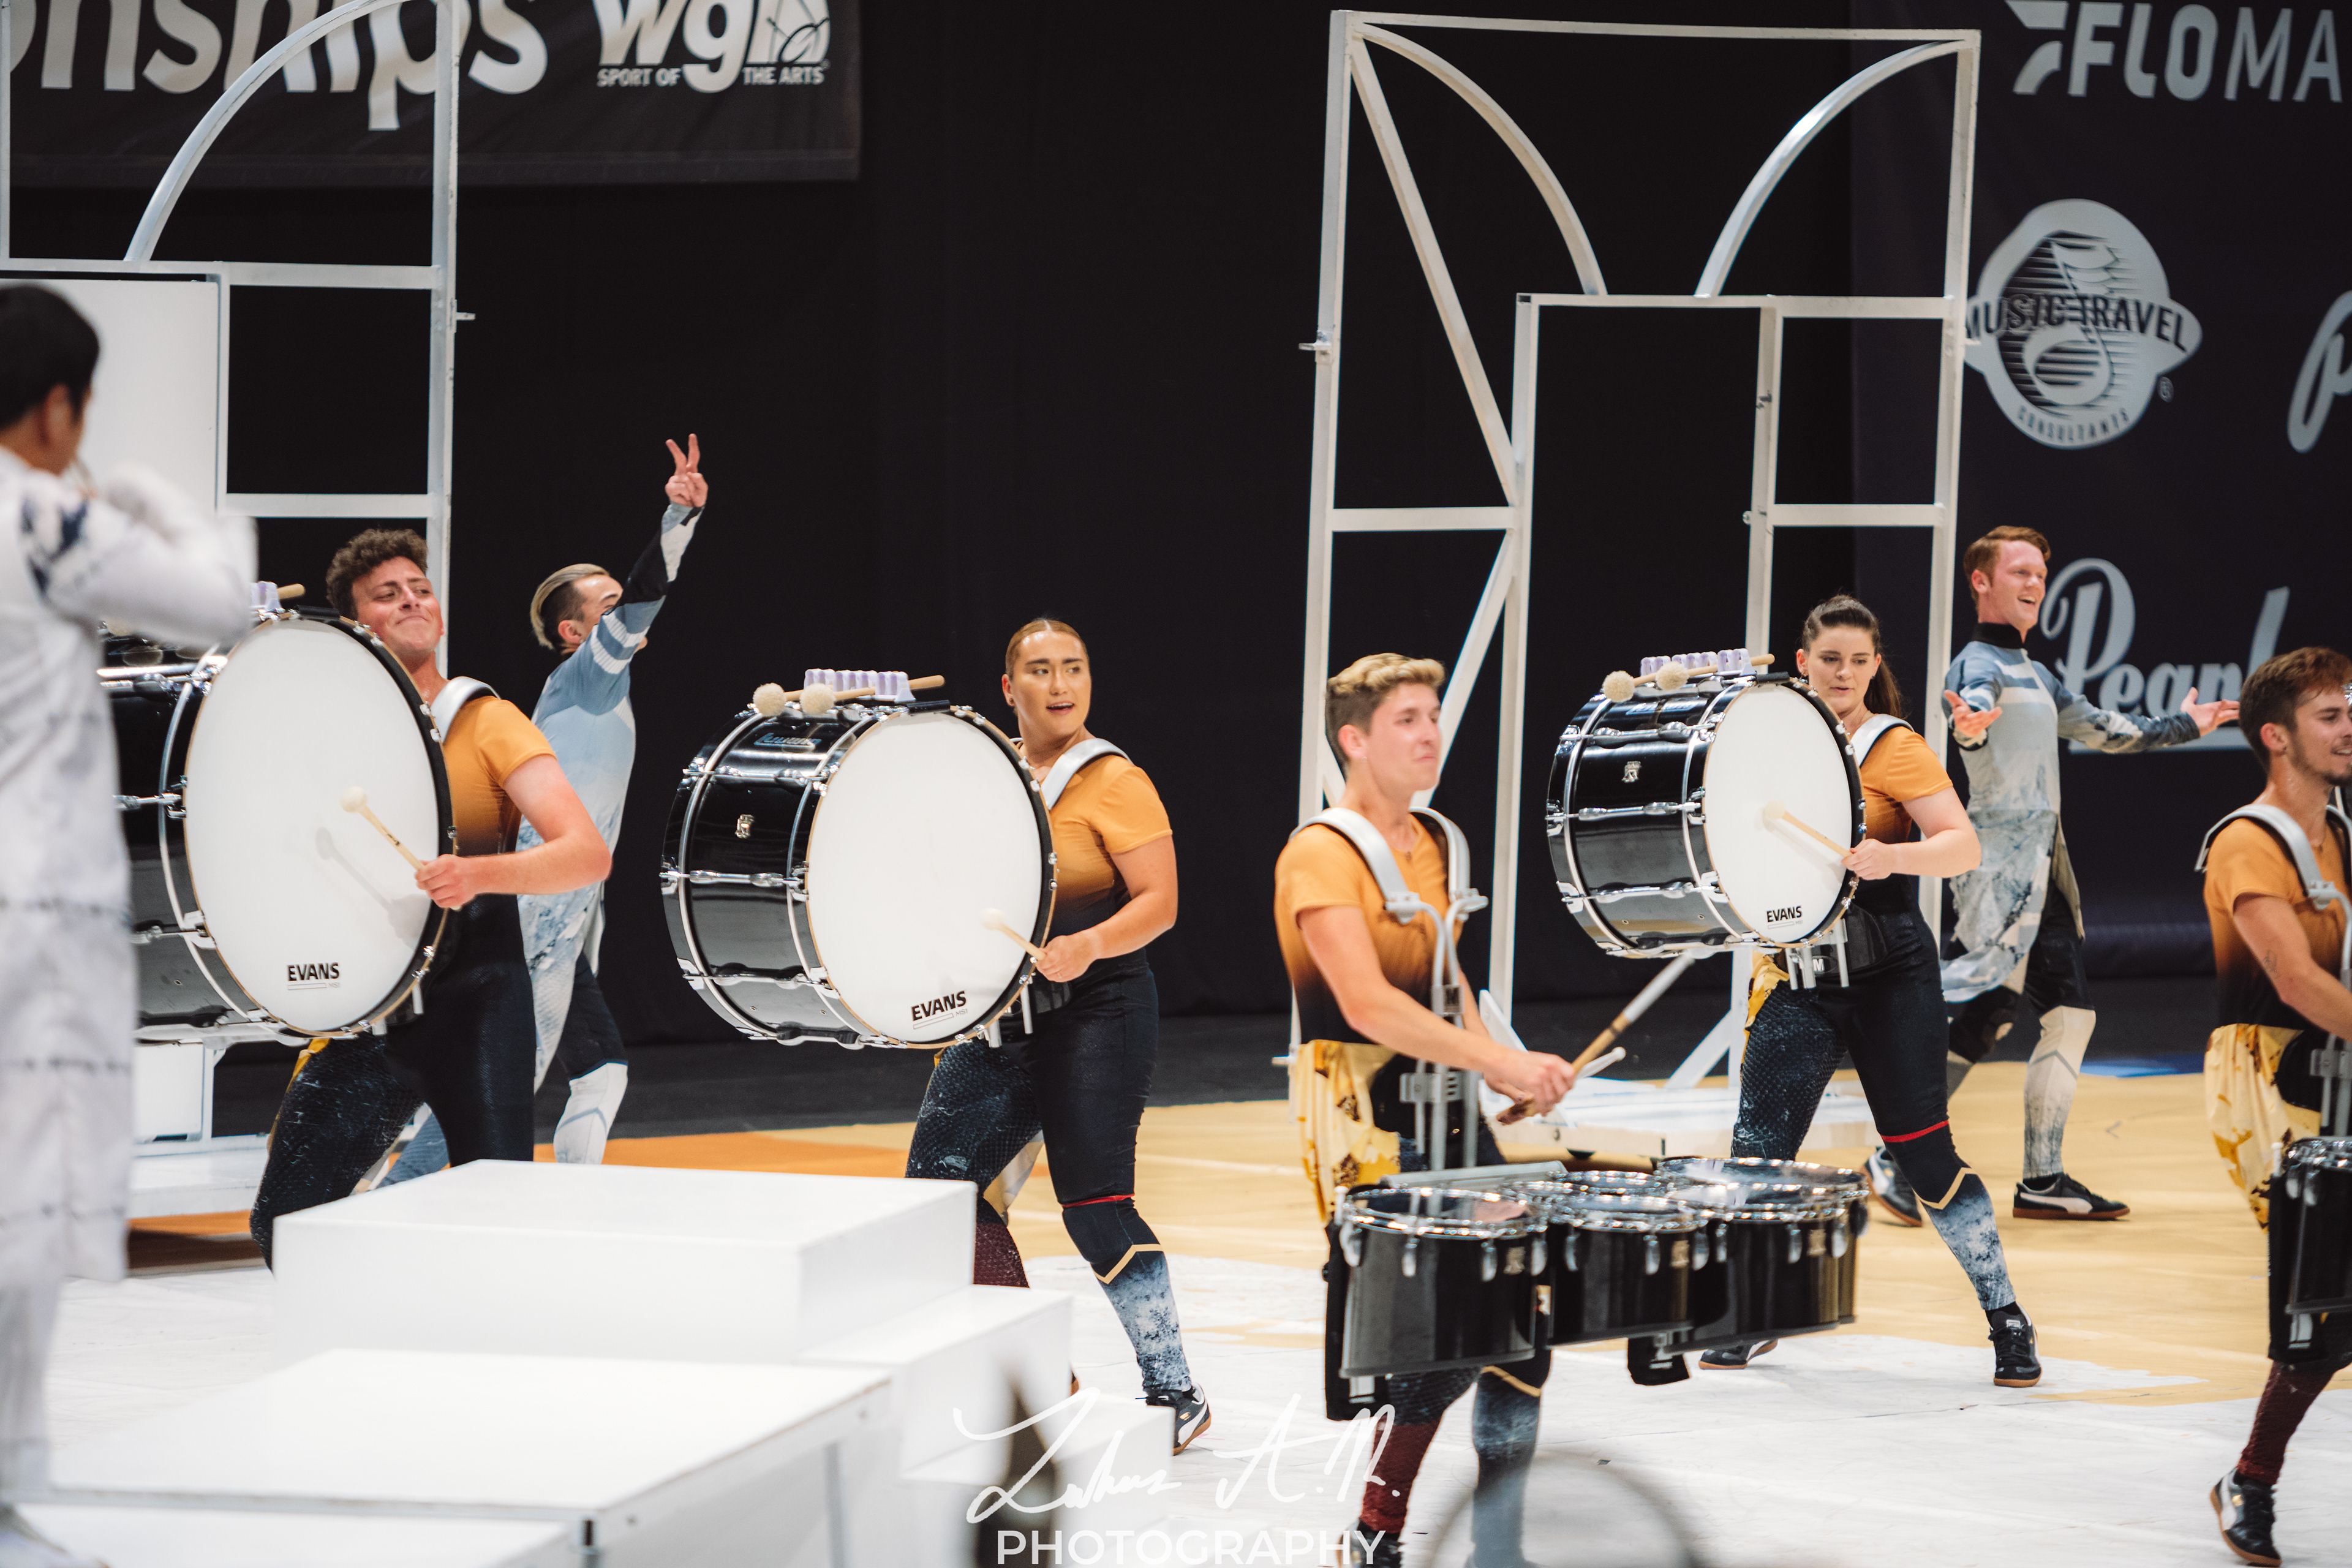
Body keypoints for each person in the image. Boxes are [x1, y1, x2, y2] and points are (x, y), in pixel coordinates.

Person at [0, 285, 254, 1568]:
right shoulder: (45, 518)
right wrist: (158, 504)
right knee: (22, 1202)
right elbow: (221, 605)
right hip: (28, 912)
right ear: (57, 407)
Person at [1276, 653, 1575, 1568]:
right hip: (1360, 1105)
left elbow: (1447, 981)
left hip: (1445, 1093)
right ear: (1355, 740)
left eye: (1433, 715)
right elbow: (1367, 1005)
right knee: (1439, 1328)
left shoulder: (1438, 839)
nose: (1430, 733)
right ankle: (1376, 1529)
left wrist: (1500, 1071)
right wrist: (1497, 1058)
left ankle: (1497, 1544)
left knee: (1521, 1313)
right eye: (1406, 718)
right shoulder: (1320, 852)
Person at [246, 529, 610, 1262]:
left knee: (497, 1221)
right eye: (388, 594)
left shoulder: (487, 719)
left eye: (421, 589)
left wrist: (479, 874)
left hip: (478, 1000)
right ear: (358, 623)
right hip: (369, 1008)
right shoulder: (336, 733)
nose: (412, 600)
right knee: (282, 1222)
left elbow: (586, 853)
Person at [902, 619, 1212, 1455]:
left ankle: (1175, 1390)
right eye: (1041, 670)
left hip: (1098, 1008)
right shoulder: (991, 774)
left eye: (1074, 667)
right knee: (938, 1196)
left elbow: (1160, 903)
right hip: (1003, 1016)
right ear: (1010, 689)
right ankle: (1043, 1376)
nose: (1061, 683)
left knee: (1096, 1207)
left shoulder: (1116, 779)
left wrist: (1091, 943)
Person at [1717, 597, 2039, 1386]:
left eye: (1860, 661)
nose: (1845, 673)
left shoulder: (1892, 745)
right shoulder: (1767, 749)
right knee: (1758, 1155)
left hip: (1890, 972)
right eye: (1831, 660)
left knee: (1925, 1155)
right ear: (1803, 663)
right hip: (1798, 973)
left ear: (1875, 666)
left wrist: (1894, 858)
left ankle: (2007, 1315)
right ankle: (1752, 1314)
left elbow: (1961, 846)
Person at [385, 435, 706, 1181]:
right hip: (534, 908)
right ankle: (395, 1197)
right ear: (575, 631)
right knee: (498, 1081)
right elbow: (645, 598)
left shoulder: (595, 690)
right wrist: (678, 520)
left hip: (564, 910)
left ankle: (542, 1200)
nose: (625, 616)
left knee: (565, 1075)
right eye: (607, 607)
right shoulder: (586, 677)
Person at [1926, 526, 2236, 1223]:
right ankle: (1905, 1155)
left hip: (2044, 869)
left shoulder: (2036, 675)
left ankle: (2036, 1178)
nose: (2035, 584)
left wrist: (2185, 726)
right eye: (2020, 572)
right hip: (2001, 876)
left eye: (2041, 573)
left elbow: (2105, 729)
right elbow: (1970, 712)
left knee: (2024, 1015)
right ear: (1981, 581)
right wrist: (1971, 725)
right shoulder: (1977, 665)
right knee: (2022, 1014)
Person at [2194, 648, 2352, 1567]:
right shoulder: (2247, 842)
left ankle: (2251, 1479)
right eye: (2330, 715)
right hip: (2266, 1080)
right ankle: (2250, 1480)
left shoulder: (2342, 832)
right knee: (2323, 1287)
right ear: (2277, 737)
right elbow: (2295, 981)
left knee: (2335, 1293)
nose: (2349, 727)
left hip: (2338, 1063)